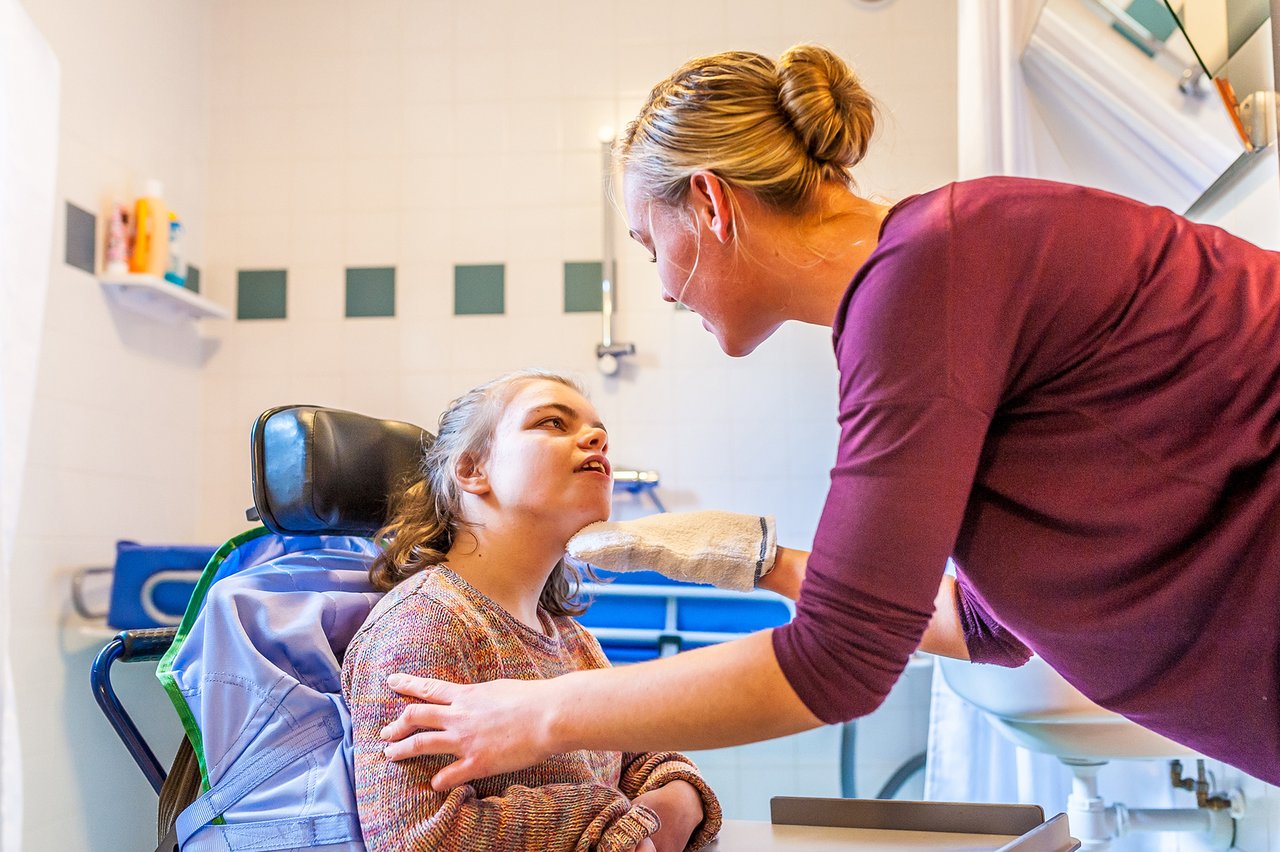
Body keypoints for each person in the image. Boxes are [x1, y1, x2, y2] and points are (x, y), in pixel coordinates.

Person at [376, 45, 1280, 787]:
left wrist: (532, 716)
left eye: (652, 245)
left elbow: (842, 661)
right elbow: (992, 624)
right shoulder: (927, 275)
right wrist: (762, 562)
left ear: (711, 202)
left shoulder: (929, 276)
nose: (659, 286)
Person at [340, 369, 722, 851]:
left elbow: (643, 757)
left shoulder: (567, 637)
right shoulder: (424, 625)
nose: (598, 438)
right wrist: (609, 823)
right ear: (472, 470)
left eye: (598, 430)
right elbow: (422, 840)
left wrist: (678, 798)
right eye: (552, 422)